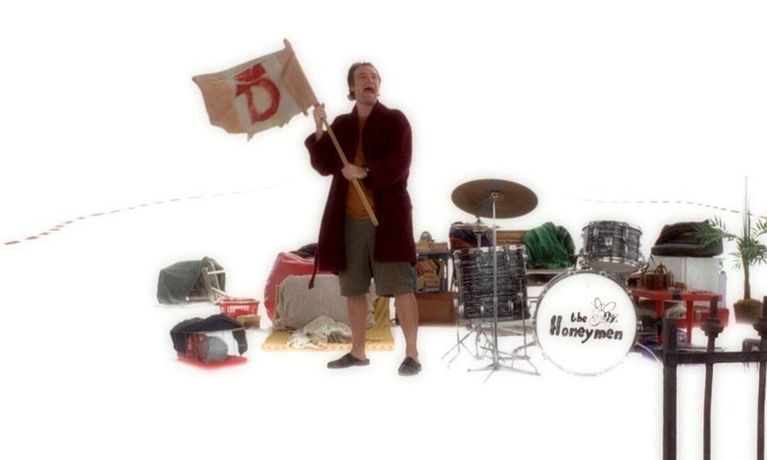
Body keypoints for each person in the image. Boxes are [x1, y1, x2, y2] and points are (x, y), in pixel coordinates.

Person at [304, 62, 421, 376]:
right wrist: (319, 127)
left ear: (378, 85)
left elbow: (400, 162)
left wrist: (365, 171)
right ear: (352, 87)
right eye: (362, 77)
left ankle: (412, 353)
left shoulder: (395, 120)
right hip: (348, 219)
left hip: (387, 220)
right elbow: (324, 164)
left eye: (374, 77)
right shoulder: (341, 124)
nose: (369, 80)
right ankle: (358, 352)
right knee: (353, 288)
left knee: (401, 287)